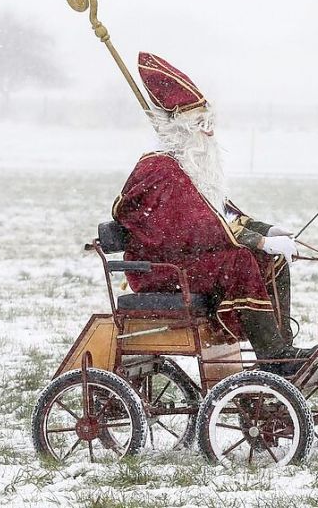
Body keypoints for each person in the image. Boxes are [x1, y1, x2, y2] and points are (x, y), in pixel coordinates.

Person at [113, 52, 306, 360]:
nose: (210, 132)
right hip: (161, 268)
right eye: (201, 123)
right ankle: (273, 354)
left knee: (272, 262)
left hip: (188, 259)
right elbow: (196, 228)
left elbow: (222, 213)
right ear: (180, 128)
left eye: (211, 122)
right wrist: (261, 242)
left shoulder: (190, 166)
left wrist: (267, 231)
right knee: (241, 262)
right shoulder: (162, 170)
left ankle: (280, 351)